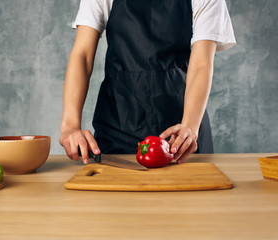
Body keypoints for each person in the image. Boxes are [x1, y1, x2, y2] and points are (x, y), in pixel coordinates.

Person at [59, 0, 236, 164]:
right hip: (116, 128)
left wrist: (189, 126)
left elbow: (201, 64)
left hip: (181, 133)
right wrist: (70, 126)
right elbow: (82, 55)